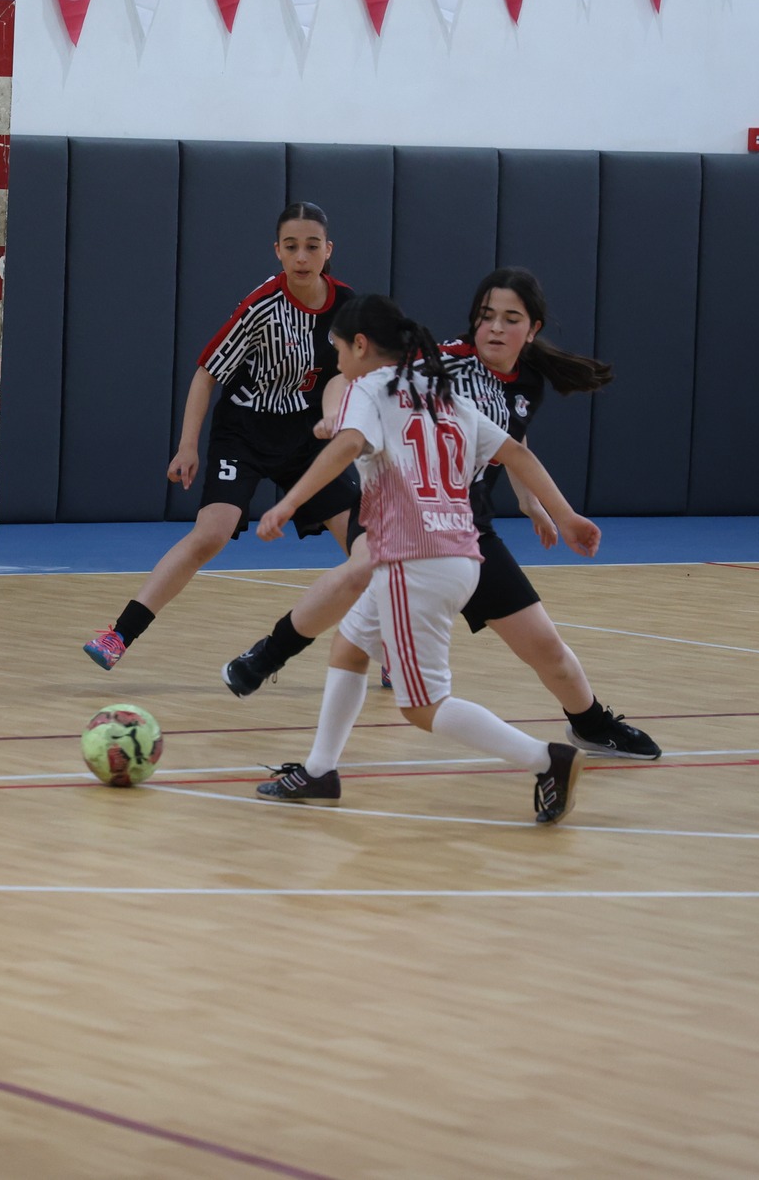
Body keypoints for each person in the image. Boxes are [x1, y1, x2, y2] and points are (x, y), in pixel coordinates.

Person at [222, 267, 661, 761]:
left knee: (547, 648)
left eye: (510, 318)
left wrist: (539, 505)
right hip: (404, 510)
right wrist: (333, 413)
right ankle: (269, 655)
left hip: (464, 526)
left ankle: (590, 723)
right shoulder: (442, 363)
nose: (495, 327)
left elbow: (513, 444)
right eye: (486, 316)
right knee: (360, 569)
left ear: (533, 330)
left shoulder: (527, 383)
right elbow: (356, 375)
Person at [249, 294, 599, 822]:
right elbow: (518, 453)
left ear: (361, 346)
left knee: (422, 705)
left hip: (413, 561)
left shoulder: (368, 388)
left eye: (338, 351)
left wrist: (291, 502)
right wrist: (568, 515)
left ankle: (546, 759)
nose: (337, 363)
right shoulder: (442, 393)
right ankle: (321, 771)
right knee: (349, 648)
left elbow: (346, 445)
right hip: (459, 555)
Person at [83, 202, 359, 669]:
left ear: (328, 250)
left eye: (312, 246)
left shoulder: (348, 306)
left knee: (365, 544)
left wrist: (333, 415)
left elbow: (341, 373)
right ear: (277, 251)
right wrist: (188, 445)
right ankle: (118, 635)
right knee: (209, 535)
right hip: (245, 432)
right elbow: (206, 374)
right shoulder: (261, 307)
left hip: (307, 437)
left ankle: (394, 649)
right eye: (291, 246)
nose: (301, 256)